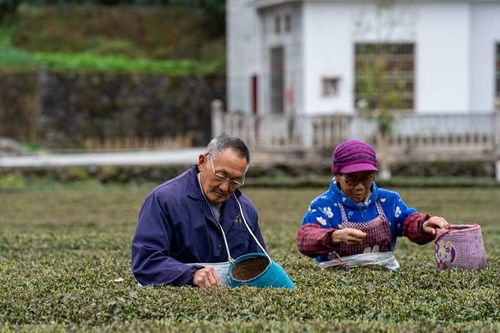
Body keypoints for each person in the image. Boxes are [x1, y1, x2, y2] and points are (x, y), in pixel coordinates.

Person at [131, 134, 266, 287]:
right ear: (202, 162)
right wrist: (191, 275)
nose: (224, 187)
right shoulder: (163, 200)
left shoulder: (245, 209)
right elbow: (146, 261)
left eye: (235, 181)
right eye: (221, 175)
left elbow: (260, 265)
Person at [295, 140, 449, 268]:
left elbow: (408, 221)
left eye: (367, 178)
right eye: (351, 179)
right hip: (337, 276)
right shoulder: (323, 206)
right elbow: (305, 239)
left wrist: (423, 225)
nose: (360, 187)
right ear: (337, 175)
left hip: (385, 270)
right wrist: (334, 236)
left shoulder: (388, 200)